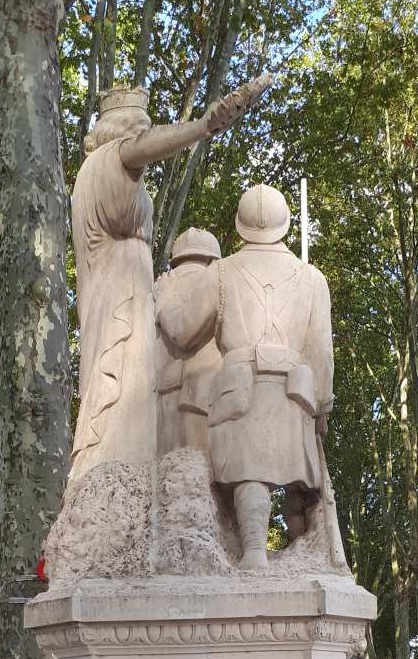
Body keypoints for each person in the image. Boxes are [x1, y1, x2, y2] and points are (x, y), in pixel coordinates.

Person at [69, 75, 269, 478]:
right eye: (140, 125)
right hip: (117, 297)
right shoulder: (109, 160)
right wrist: (203, 127)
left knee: (131, 403)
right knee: (118, 398)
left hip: (124, 290)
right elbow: (140, 149)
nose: (146, 131)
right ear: (120, 130)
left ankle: (120, 480)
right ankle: (111, 477)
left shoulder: (100, 173)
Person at [155, 184, 335, 569]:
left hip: (241, 388)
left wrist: (164, 299)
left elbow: (183, 333)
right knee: (295, 479)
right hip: (293, 392)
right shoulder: (313, 279)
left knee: (250, 473)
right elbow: (322, 354)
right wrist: (323, 406)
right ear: (284, 225)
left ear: (240, 227)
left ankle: (255, 551)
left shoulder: (221, 273)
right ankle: (299, 549)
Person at [154, 227, 222, 456]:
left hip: (163, 394)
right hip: (204, 394)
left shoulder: (160, 285)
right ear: (213, 259)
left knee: (168, 473)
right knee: (204, 475)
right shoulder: (216, 282)